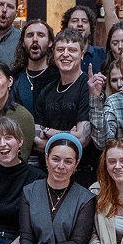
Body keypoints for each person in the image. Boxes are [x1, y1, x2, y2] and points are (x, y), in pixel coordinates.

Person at [33, 29, 94, 157]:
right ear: (54, 53)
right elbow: (36, 140)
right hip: (48, 165)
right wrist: (69, 136)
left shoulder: (89, 88)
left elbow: (82, 139)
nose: (65, 54)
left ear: (81, 55)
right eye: (60, 50)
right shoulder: (46, 91)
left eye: (72, 50)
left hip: (81, 166)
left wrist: (48, 131)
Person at [13, 19, 56, 115]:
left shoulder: (59, 77)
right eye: (30, 35)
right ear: (23, 43)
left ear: (50, 42)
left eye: (40, 35)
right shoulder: (14, 77)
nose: (35, 39)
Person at [62, 4, 109, 74]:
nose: (80, 24)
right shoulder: (61, 55)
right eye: (74, 21)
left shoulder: (102, 54)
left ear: (90, 29)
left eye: (84, 21)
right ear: (66, 27)